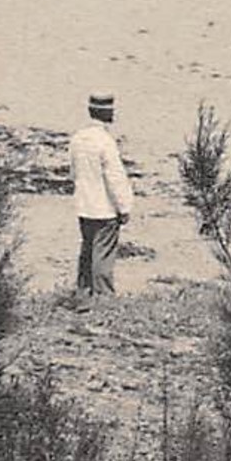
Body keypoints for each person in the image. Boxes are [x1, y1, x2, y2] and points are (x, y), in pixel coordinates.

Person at [68, 91, 134, 310]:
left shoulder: (77, 139)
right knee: (103, 253)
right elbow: (114, 178)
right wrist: (124, 207)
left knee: (86, 250)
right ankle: (104, 296)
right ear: (107, 114)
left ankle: (83, 293)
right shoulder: (105, 142)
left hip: (84, 205)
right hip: (105, 208)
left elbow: (74, 173)